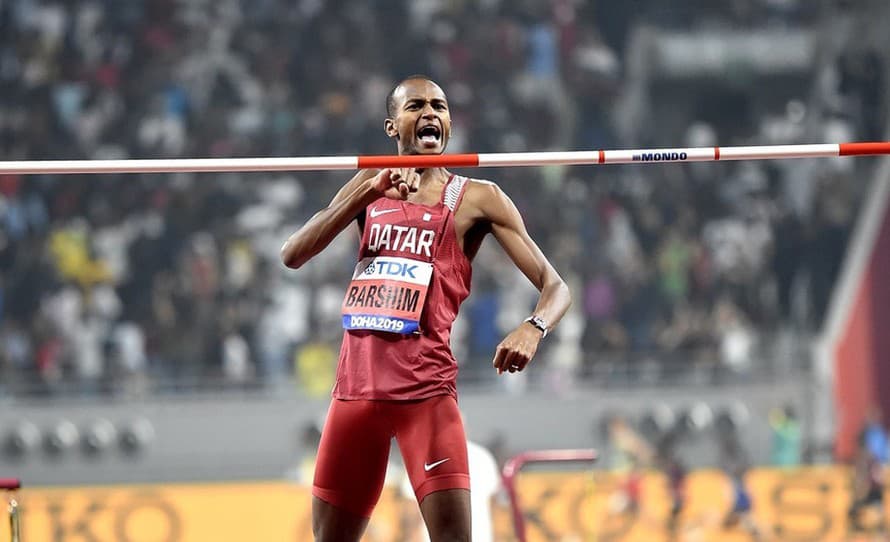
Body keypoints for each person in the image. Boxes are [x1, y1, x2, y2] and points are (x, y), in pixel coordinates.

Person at [280, 75, 571, 541]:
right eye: (415, 105)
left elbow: (556, 287)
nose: (430, 112)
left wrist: (533, 328)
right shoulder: (366, 185)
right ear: (392, 126)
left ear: (450, 122)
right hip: (355, 396)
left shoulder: (478, 198)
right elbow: (293, 253)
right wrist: (368, 190)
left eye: (439, 104)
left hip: (426, 399)